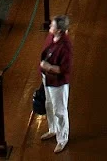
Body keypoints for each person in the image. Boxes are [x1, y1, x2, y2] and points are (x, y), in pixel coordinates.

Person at [38, 15, 74, 152]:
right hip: (47, 79)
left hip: (58, 83)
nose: (49, 27)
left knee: (59, 110)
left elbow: (65, 69)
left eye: (52, 26)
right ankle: (53, 129)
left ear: (59, 30)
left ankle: (62, 138)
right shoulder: (52, 37)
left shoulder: (66, 47)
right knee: (49, 104)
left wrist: (48, 67)